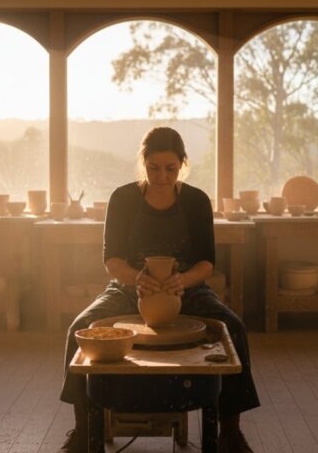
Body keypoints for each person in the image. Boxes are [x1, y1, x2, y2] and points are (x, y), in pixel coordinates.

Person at [58, 127, 260, 453]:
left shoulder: (195, 201)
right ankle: (82, 431)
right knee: (79, 328)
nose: (162, 177)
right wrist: (137, 278)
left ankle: (230, 432)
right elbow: (111, 260)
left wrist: (183, 280)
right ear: (143, 162)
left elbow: (206, 262)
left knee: (233, 328)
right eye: (153, 168)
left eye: (170, 168)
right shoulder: (123, 198)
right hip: (130, 287)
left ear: (182, 164)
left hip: (186, 288)